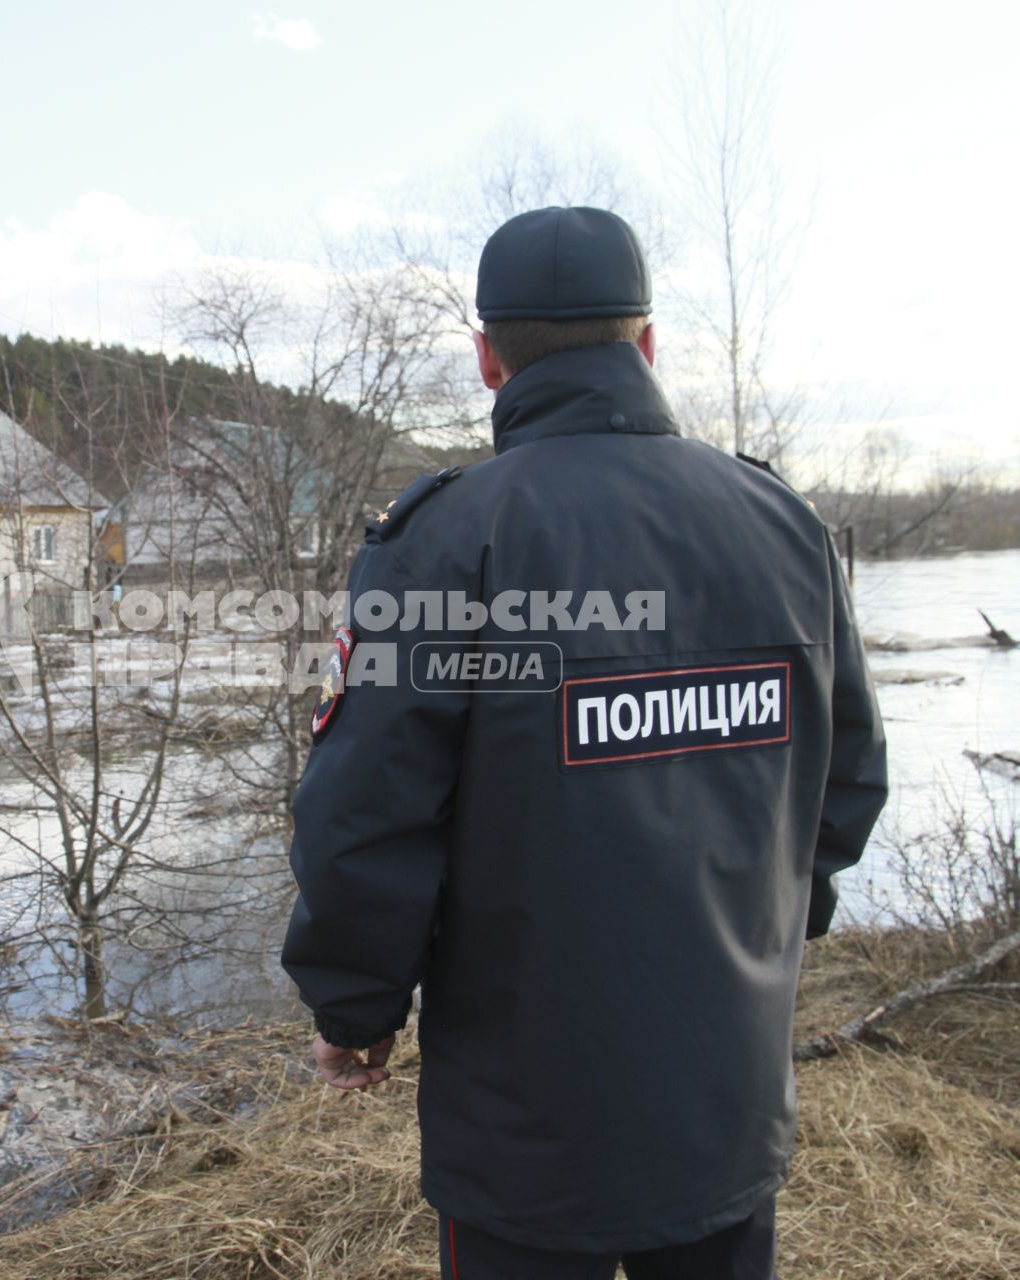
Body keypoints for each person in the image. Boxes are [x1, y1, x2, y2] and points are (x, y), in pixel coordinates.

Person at [281, 206, 888, 1279]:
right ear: (647, 343)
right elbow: (844, 784)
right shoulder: (781, 523)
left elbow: (364, 815)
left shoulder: (444, 542)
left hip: (528, 1121)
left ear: (488, 359)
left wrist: (357, 1008)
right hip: (725, 1091)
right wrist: (768, 936)